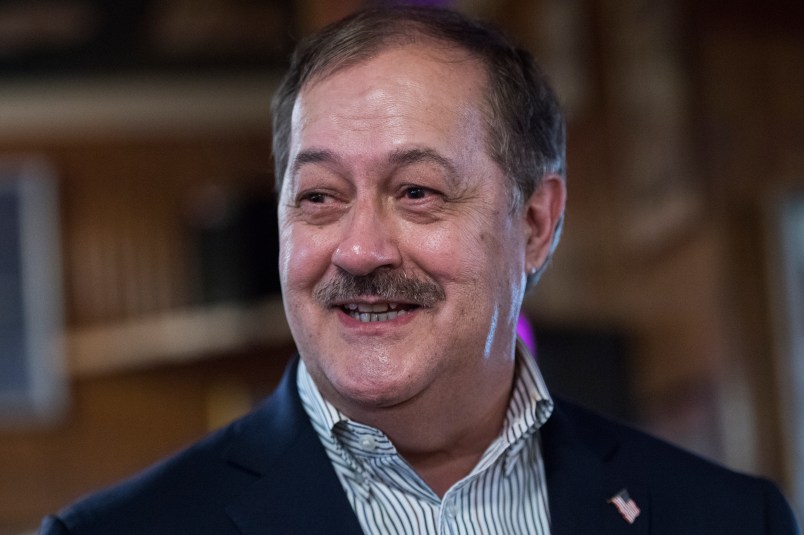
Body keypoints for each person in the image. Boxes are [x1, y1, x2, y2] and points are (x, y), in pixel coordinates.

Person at [40, 6, 799, 534]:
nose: (360, 250)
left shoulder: (731, 521)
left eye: (417, 192)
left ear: (535, 224)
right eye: (320, 197)